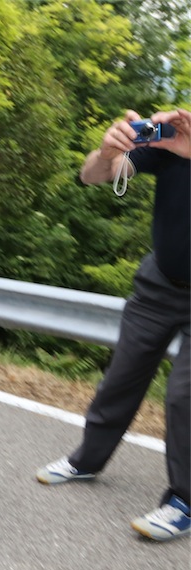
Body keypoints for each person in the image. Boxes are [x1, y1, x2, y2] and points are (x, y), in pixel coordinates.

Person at [37, 108, 190, 541]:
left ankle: (184, 501)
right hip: (161, 282)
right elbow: (93, 176)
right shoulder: (172, 136)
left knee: (184, 398)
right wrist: (108, 152)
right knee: (122, 375)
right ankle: (86, 461)